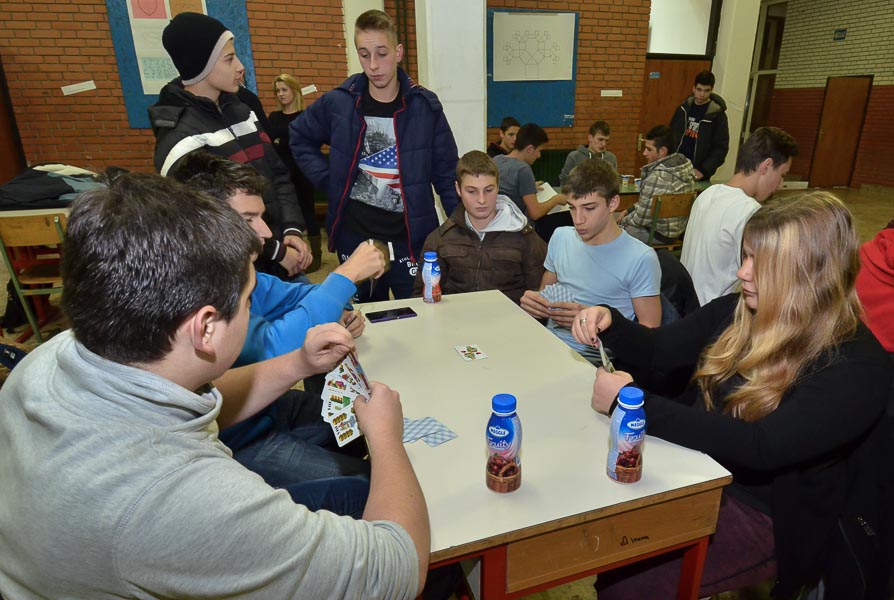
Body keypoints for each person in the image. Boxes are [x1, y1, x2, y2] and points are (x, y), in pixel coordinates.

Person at [0, 173, 429, 599]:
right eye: (247, 301)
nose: (252, 309)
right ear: (205, 327)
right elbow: (397, 570)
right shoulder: (180, 497)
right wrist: (386, 437)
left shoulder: (51, 356)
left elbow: (208, 401)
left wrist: (298, 363)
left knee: (355, 489)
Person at [572, 192, 893, 599]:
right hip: (701, 470)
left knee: (630, 585)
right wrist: (611, 323)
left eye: (761, 262)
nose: (742, 272)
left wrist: (634, 403)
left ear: (809, 274)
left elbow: (762, 446)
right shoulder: (740, 310)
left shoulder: (857, 365)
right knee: (608, 550)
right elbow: (660, 349)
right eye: (746, 255)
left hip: (769, 513)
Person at [170, 151, 385, 517]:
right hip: (234, 439)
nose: (266, 232)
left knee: (358, 428)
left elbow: (299, 295)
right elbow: (272, 349)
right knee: (368, 485)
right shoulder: (197, 290)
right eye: (248, 219)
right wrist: (344, 276)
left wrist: (338, 305)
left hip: (266, 410)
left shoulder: (243, 271)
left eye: (261, 217)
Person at [290, 9, 459, 302]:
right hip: (355, 236)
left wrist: (462, 230)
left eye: (382, 53)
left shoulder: (424, 106)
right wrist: (331, 180)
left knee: (421, 313)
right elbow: (299, 136)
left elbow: (446, 175)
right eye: (364, 54)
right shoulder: (339, 102)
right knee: (364, 320)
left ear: (398, 52)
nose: (373, 65)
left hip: (410, 238)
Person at [148, 12, 311, 282]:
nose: (240, 67)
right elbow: (211, 223)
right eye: (229, 58)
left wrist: (292, 230)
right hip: (239, 273)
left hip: (280, 255)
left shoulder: (242, 110)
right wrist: (277, 252)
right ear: (202, 66)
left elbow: (278, 175)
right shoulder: (180, 137)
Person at [520, 158, 661, 366]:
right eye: (572, 208)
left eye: (589, 208)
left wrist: (595, 321)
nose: (578, 219)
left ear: (613, 203)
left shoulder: (641, 258)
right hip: (548, 345)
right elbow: (545, 294)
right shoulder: (561, 237)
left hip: (598, 359)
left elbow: (650, 334)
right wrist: (535, 304)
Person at [681, 126, 798, 305]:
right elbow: (766, 281)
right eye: (782, 175)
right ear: (766, 166)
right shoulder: (750, 212)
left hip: (687, 306)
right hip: (717, 313)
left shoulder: (707, 194)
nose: (781, 184)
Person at [412, 150, 546, 304]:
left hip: (509, 318)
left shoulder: (524, 236)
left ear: (498, 187)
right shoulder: (441, 239)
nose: (482, 200)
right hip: (456, 318)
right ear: (458, 189)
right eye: (471, 191)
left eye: (489, 190)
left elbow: (541, 293)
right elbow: (422, 297)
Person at [268, 73, 323, 272]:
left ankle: (316, 255)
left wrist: (282, 142)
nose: (280, 94)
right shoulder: (274, 117)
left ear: (294, 91)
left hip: (302, 171)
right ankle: (289, 254)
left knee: (307, 211)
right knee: (283, 212)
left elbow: (311, 143)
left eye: (284, 90)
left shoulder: (305, 116)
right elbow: (269, 144)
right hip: (280, 172)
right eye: (277, 91)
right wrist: (286, 143)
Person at [620, 124, 695, 244]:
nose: (644, 153)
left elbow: (640, 219)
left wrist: (622, 221)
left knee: (621, 232)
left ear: (662, 151)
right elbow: (650, 204)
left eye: (649, 149)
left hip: (657, 234)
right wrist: (629, 210)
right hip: (678, 232)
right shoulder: (685, 170)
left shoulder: (657, 177)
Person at [492, 122, 566, 222]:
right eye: (539, 150)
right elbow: (535, 213)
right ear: (530, 148)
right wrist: (556, 199)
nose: (539, 156)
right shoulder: (523, 169)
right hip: (516, 225)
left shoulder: (496, 160)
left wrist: (529, 187)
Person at [669, 70, 729, 182]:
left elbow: (720, 148)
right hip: (675, 168)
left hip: (698, 172)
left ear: (712, 90)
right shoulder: (682, 109)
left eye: (706, 90)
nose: (702, 94)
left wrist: (703, 170)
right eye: (699, 89)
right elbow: (670, 134)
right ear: (693, 88)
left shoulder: (717, 115)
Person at [558, 120, 618, 186]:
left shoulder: (611, 158)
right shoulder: (574, 157)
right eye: (600, 139)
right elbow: (564, 182)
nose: (603, 144)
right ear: (590, 138)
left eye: (606, 141)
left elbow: (614, 184)